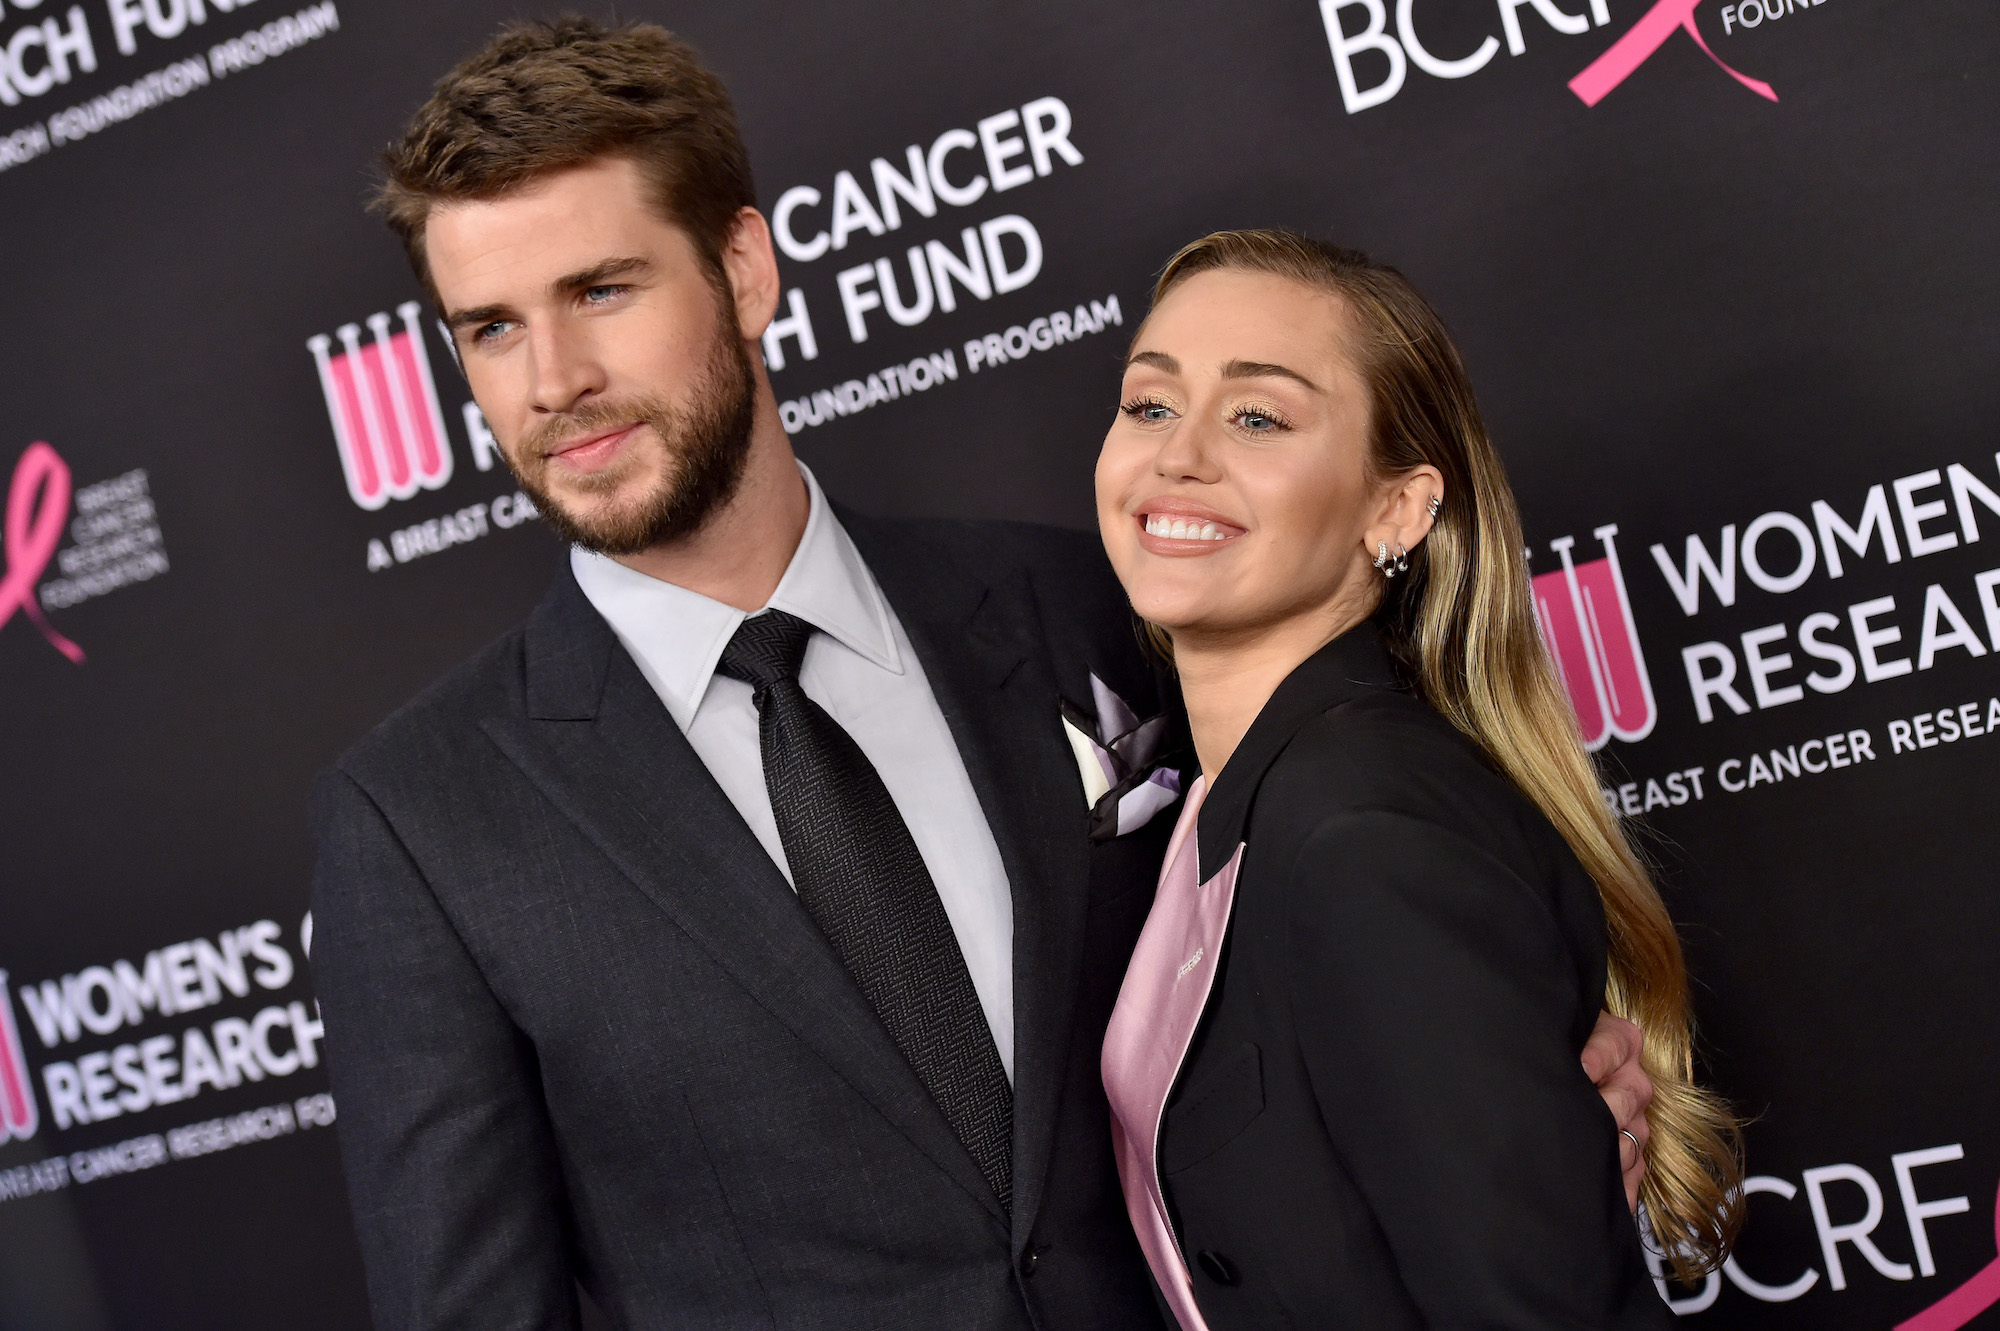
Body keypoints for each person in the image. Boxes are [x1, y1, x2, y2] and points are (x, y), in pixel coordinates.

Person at [308, 20, 1658, 1330]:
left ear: (747, 266)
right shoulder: (423, 819)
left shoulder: (1093, 605)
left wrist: (1522, 1106)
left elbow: (1367, 966)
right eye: (489, 329)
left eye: (603, 289)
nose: (555, 379)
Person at [1095, 229, 1744, 1330]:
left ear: (1394, 508)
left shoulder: (1364, 826)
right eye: (1148, 405)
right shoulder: (1234, 798)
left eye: (1256, 416)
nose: (1178, 456)